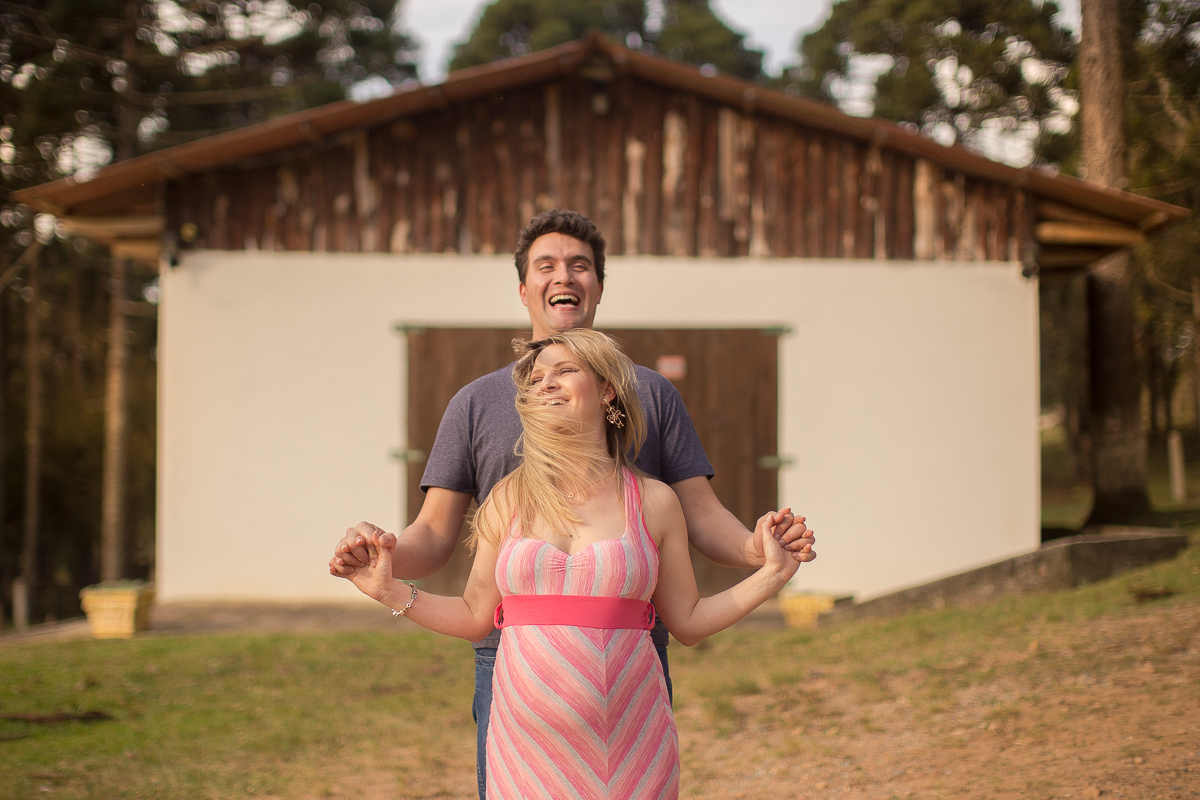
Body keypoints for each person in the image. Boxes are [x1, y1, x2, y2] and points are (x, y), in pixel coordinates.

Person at [329, 209, 816, 798]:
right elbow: (432, 537)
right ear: (523, 288)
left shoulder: (653, 404)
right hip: (511, 671)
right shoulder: (476, 408)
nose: (565, 275)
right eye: (547, 265)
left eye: (580, 265)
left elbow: (700, 515)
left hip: (630, 667)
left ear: (599, 288)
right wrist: (379, 560)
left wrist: (760, 553)